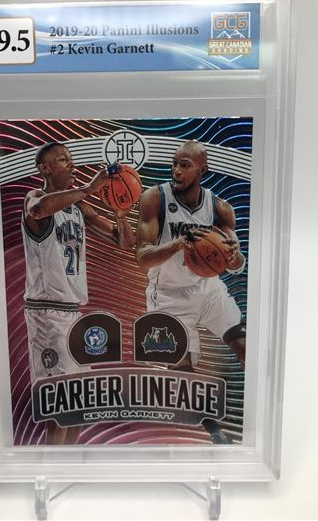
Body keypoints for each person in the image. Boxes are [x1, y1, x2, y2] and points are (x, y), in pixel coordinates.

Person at [22, 142, 134, 445]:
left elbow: (123, 242)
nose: (71, 164)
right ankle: (51, 466)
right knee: (61, 403)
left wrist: (121, 215)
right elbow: (39, 210)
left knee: (78, 403)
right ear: (45, 169)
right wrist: (88, 188)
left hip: (73, 312)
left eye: (71, 159)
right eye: (62, 160)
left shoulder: (78, 207)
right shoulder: (35, 198)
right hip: (47, 311)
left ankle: (66, 464)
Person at [135, 140, 246, 443]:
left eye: (185, 165)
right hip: (168, 293)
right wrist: (177, 244)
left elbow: (236, 262)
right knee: (182, 371)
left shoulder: (220, 208)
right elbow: (142, 258)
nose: (177, 171)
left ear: (202, 170)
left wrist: (234, 255)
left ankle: (253, 420)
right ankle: (216, 432)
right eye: (174, 164)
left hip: (206, 288)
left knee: (246, 346)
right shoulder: (154, 199)